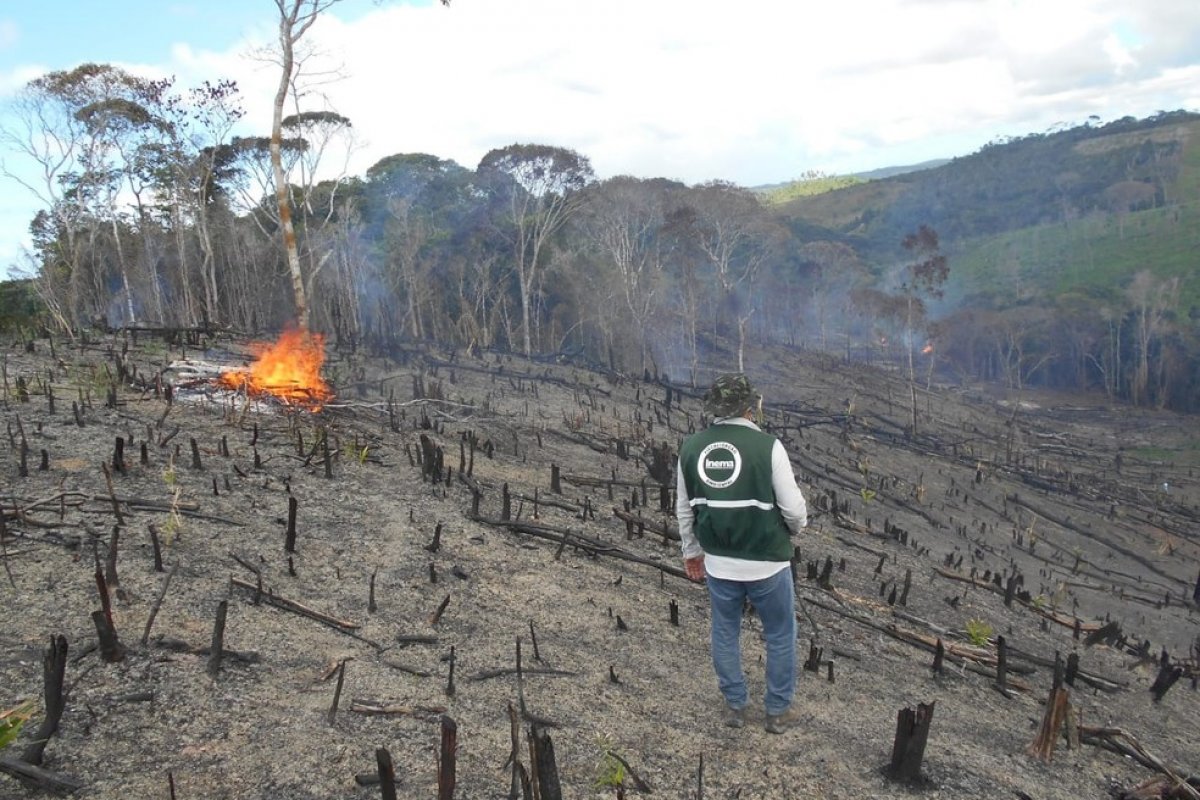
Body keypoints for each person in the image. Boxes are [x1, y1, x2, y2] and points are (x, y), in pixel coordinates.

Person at [675, 373, 808, 734]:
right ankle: (777, 712)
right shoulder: (769, 446)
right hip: (769, 564)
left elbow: (685, 509)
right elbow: (794, 511)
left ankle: (736, 706)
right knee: (780, 634)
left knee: (724, 630)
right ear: (750, 407)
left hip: (719, 564)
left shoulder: (690, 447)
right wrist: (793, 532)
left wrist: (692, 552)